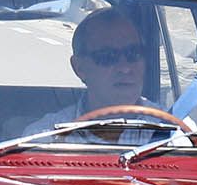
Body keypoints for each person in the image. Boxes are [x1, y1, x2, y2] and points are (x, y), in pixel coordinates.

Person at [19, 8, 166, 143]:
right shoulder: (45, 139)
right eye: (108, 56)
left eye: (133, 54)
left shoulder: (174, 132)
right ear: (80, 67)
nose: (125, 68)